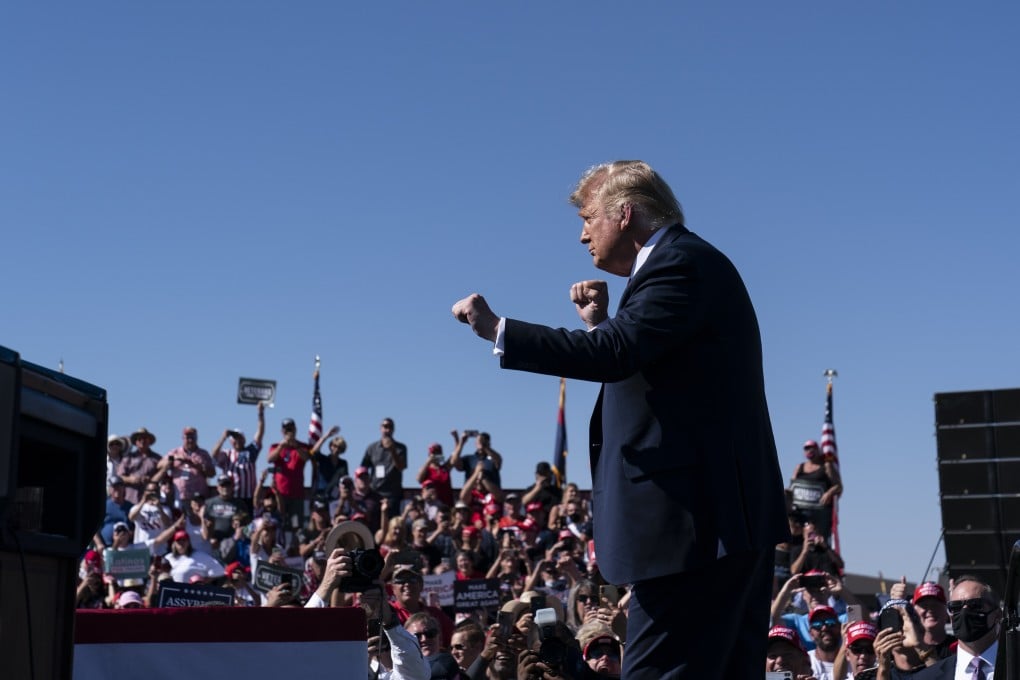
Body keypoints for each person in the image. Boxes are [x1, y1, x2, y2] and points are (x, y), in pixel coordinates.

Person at [452, 159, 789, 679]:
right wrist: (601, 326)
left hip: (697, 534)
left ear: (625, 213)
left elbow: (616, 354)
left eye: (589, 218)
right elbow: (655, 371)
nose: (583, 235)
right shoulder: (680, 265)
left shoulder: (679, 264)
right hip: (716, 530)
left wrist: (499, 329)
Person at [914, 576, 1001, 679]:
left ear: (997, 615)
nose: (964, 612)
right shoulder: (925, 677)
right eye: (955, 607)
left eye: (975, 605)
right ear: (950, 617)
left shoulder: (1014, 666)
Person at [211, 402, 266, 509]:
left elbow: (260, 433)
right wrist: (223, 438)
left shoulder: (251, 451)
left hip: (249, 497)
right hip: (232, 497)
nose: (237, 441)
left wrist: (260, 413)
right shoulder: (227, 454)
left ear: (244, 439)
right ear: (231, 441)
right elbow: (213, 455)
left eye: (240, 438)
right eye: (234, 439)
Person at [790, 440, 842, 541]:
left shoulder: (826, 466)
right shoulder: (799, 467)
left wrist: (828, 493)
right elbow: (792, 487)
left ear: (818, 450)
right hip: (801, 511)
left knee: (820, 540)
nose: (809, 450)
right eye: (806, 448)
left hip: (820, 512)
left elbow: (838, 486)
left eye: (812, 447)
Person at [267, 417, 311, 527]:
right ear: (282, 431)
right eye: (286, 430)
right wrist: (281, 446)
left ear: (295, 430)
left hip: (296, 494)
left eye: (290, 429)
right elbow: (270, 459)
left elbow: (306, 458)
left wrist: (296, 446)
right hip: (280, 494)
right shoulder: (275, 446)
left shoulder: (303, 446)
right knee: (278, 524)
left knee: (295, 525)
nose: (288, 432)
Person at [154, 427, 215, 505]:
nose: (190, 440)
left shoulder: (203, 454)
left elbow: (212, 473)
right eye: (187, 438)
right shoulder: (175, 452)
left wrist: (198, 466)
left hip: (198, 496)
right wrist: (174, 458)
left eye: (192, 437)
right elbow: (159, 465)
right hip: (179, 495)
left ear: (196, 438)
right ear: (183, 438)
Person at [361, 417, 408, 508]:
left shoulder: (401, 448)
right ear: (380, 428)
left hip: (392, 494)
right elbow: (363, 468)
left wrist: (393, 450)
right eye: (385, 426)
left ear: (393, 430)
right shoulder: (372, 448)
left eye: (390, 427)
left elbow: (401, 467)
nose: (387, 430)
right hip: (374, 492)